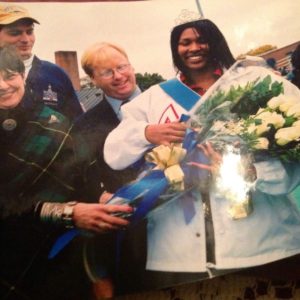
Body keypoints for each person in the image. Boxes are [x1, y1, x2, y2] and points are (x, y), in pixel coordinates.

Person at [104, 16, 300, 294]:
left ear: (216, 42)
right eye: (185, 42)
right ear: (176, 49)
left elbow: (294, 152)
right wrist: (148, 132)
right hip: (179, 253)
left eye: (201, 40)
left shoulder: (258, 82)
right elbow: (114, 152)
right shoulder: (153, 98)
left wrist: (251, 172)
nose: (193, 47)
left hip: (264, 243)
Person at [0, 46, 133, 300]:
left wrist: (101, 197)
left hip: (58, 261)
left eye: (9, 76)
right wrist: (66, 212)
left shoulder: (55, 125)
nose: (2, 85)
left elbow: (84, 180)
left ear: (23, 77)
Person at [74, 42, 142, 298]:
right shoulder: (85, 125)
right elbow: (82, 176)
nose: (119, 76)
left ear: (131, 65)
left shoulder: (164, 101)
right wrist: (99, 196)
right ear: (93, 80)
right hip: (127, 233)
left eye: (122, 66)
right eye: (107, 72)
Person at [0, 4, 83, 120]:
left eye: (29, 32)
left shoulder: (55, 74)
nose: (25, 40)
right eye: (15, 33)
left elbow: (77, 124)